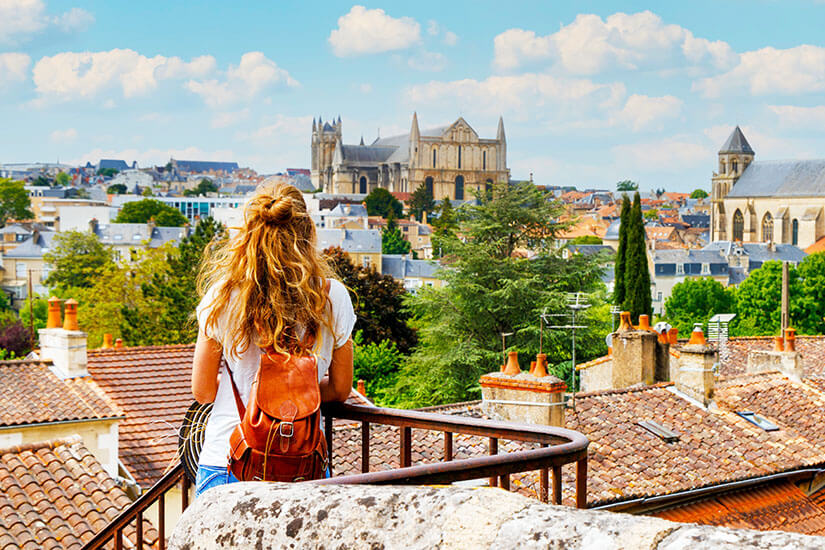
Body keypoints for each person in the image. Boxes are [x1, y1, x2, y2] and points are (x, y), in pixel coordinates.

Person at [191, 184, 356, 498]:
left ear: (250, 235)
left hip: (229, 458)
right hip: (302, 465)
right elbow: (339, 389)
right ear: (307, 234)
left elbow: (203, 391)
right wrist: (292, 398)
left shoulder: (223, 296)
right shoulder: (333, 297)